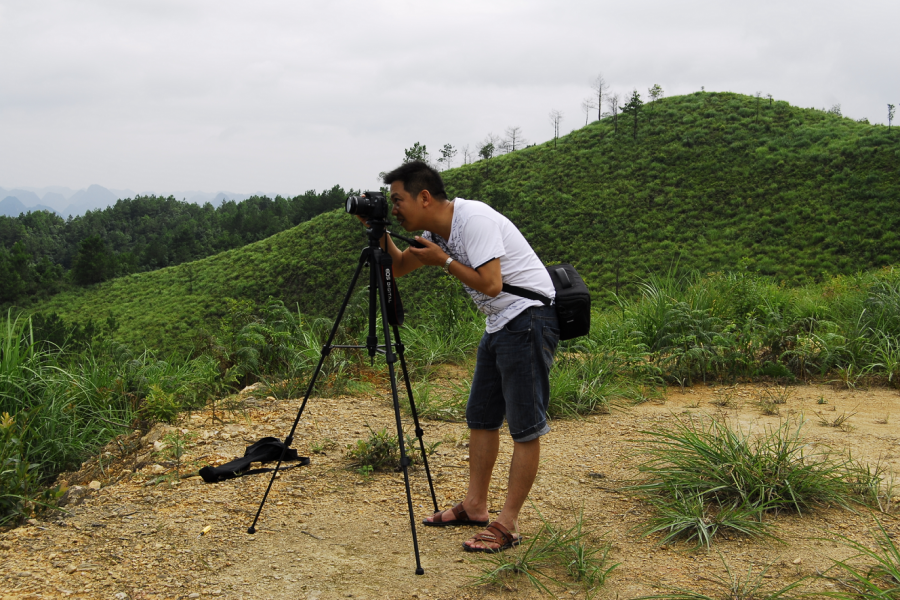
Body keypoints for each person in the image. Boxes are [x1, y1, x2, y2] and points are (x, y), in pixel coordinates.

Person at [364, 160, 559, 552]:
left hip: (527, 319)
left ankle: (508, 524)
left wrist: (446, 262)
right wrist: (378, 231)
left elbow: (491, 284)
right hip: (499, 324)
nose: (396, 207)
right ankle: (475, 506)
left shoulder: (473, 219)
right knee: (482, 417)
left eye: (398, 200)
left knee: (524, 426)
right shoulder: (432, 231)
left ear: (424, 196)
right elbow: (399, 267)